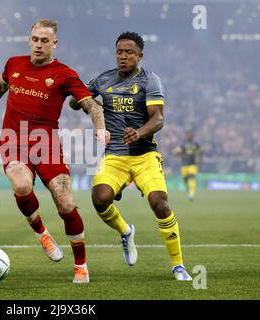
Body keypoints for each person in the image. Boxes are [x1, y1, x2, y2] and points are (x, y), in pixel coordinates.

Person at [0, 19, 109, 284]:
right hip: (13, 140)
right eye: (35, 39)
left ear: (54, 43)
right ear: (30, 40)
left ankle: (81, 266)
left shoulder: (65, 74)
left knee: (65, 203)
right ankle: (42, 234)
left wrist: (100, 128)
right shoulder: (13, 64)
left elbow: (92, 106)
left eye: (44, 41)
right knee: (22, 185)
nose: (38, 45)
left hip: (47, 144)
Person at [70, 31, 192, 281]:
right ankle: (126, 232)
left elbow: (158, 119)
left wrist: (139, 132)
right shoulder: (103, 79)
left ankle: (178, 266)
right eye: (119, 52)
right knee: (100, 198)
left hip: (144, 154)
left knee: (160, 203)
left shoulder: (150, 80)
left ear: (140, 55)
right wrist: (86, 103)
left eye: (129, 52)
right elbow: (76, 101)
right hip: (115, 155)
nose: (123, 56)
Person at [175, 130, 203, 201]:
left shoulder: (196, 144)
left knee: (191, 177)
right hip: (184, 164)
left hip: (193, 164)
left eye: (190, 134)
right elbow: (177, 153)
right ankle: (189, 188)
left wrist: (199, 162)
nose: (189, 136)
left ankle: (191, 194)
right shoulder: (183, 144)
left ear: (193, 135)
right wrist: (182, 155)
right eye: (188, 134)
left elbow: (201, 153)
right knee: (185, 179)